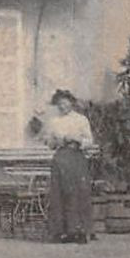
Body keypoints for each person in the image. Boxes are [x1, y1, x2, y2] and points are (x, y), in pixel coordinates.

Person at [40, 89, 95, 244]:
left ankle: (80, 231)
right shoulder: (54, 121)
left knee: (78, 192)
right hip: (60, 159)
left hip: (76, 158)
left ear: (71, 103)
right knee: (58, 194)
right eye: (59, 104)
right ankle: (60, 232)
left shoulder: (81, 120)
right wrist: (55, 141)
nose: (62, 106)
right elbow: (49, 143)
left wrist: (77, 139)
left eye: (65, 103)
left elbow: (89, 141)